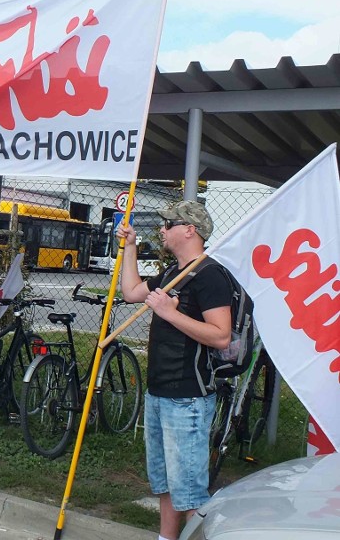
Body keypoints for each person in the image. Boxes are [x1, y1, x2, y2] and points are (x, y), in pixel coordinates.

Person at [117, 200, 232, 540]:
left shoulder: (210, 275)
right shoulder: (171, 274)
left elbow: (221, 335)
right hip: (158, 394)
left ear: (189, 229)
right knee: (167, 484)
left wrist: (170, 313)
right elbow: (130, 291)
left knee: (192, 495)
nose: (163, 230)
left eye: (169, 224)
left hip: (188, 400)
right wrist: (130, 248)